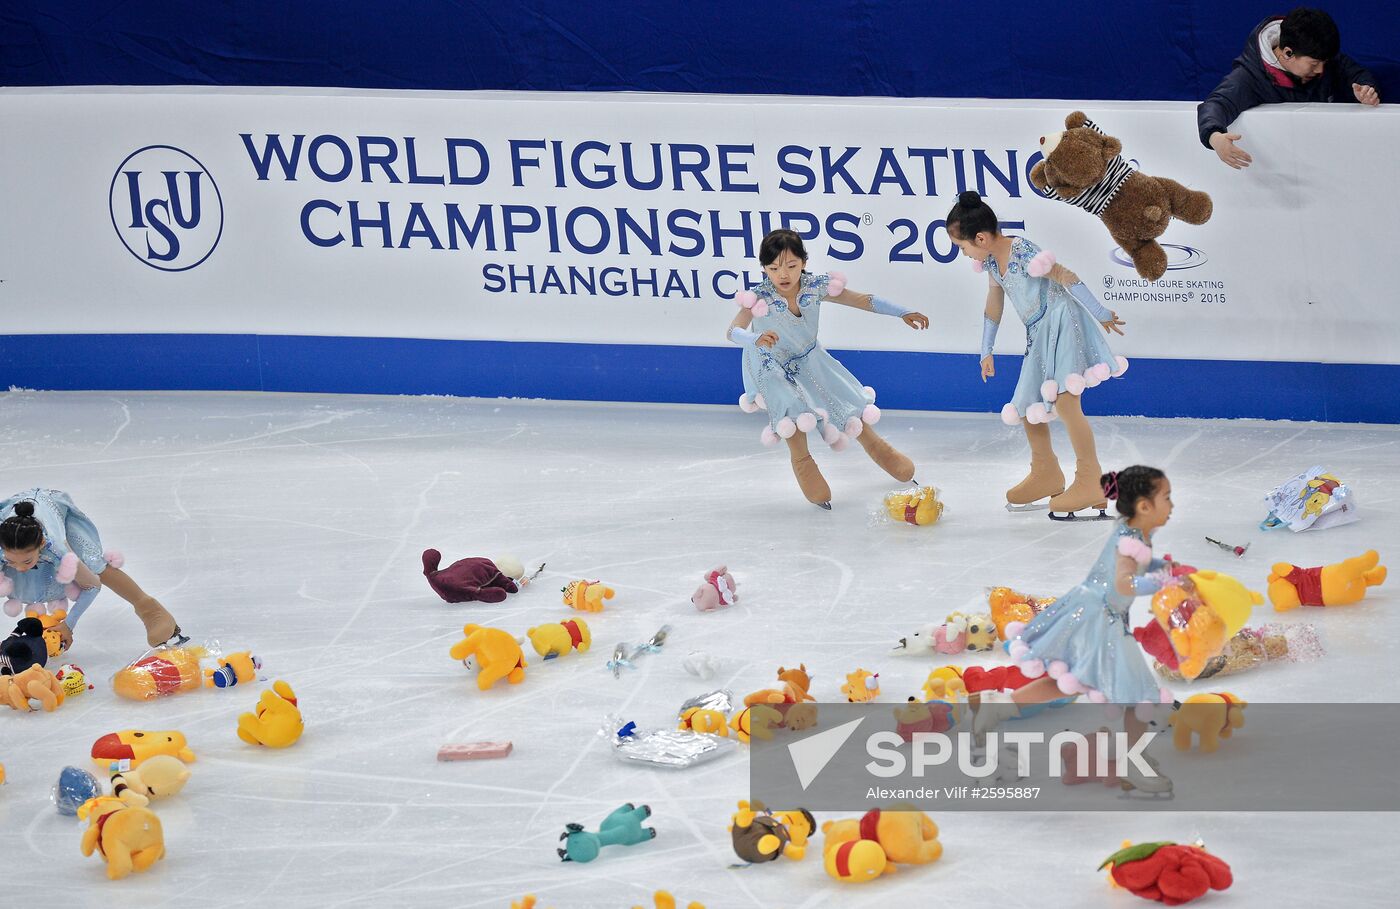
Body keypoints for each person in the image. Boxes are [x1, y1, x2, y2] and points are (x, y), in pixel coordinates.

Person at [984, 466, 1178, 794]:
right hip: (1102, 618)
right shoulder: (1130, 542)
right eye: (1167, 498)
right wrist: (1161, 581)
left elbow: (1135, 570)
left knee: (1076, 680)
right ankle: (1134, 765)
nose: (1172, 506)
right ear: (1144, 506)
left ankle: (995, 707)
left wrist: (1164, 568)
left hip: (1095, 612)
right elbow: (1124, 583)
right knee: (1136, 694)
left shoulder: (1134, 533)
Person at [946, 191, 1128, 519]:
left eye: (962, 246)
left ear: (981, 237)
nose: (962, 253)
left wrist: (1100, 311)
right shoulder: (990, 261)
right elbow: (994, 300)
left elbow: (1062, 274)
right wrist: (986, 349)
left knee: (1066, 401)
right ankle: (1046, 473)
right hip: (1038, 331)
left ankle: (1090, 479)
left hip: (1061, 319)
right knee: (1030, 404)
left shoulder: (1022, 249)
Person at [727, 229, 929, 509]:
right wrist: (754, 338)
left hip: (808, 357)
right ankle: (801, 460)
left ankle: (877, 447)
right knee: (790, 407)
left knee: (840, 397)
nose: (782, 275)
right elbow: (732, 331)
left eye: (791, 266)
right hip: (767, 362)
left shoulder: (815, 286)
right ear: (764, 268)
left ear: (804, 263)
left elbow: (862, 300)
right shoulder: (759, 298)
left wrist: (902, 311)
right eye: (773, 268)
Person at [1198, 7, 1380, 170]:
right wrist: (1215, 137)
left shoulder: (1316, 51)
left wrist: (1365, 90)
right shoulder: (1249, 77)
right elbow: (1217, 104)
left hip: (1328, 158)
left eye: (1324, 62)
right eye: (1314, 63)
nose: (1321, 70)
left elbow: (1356, 74)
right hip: (1279, 167)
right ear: (1287, 53)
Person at [0, 490, 183, 651]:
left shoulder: (55, 548)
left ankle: (148, 608)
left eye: (27, 561)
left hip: (52, 506)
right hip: (17, 522)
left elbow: (92, 586)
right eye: (11, 561)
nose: (20, 569)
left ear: (41, 545)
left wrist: (68, 624)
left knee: (92, 562)